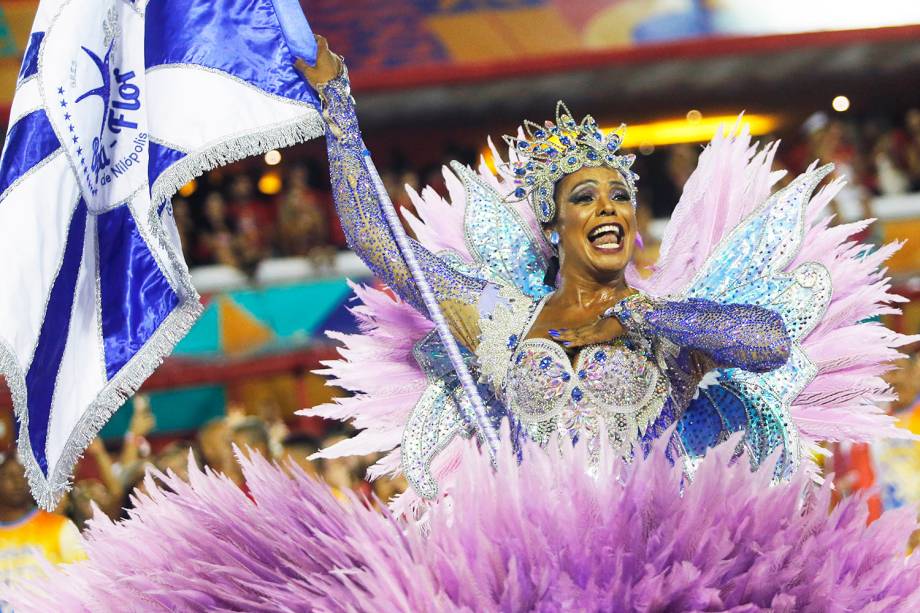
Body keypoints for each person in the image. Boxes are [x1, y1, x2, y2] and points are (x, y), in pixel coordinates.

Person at [8, 35, 920, 611]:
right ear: (551, 220)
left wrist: (658, 311)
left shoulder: (669, 319)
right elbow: (382, 246)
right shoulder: (496, 317)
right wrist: (339, 117)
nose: (609, 208)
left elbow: (767, 341)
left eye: (619, 195)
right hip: (513, 579)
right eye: (585, 196)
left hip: (671, 570)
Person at [0, 453, 83, 603]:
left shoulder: (60, 527)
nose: (18, 481)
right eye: (8, 475)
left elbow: (84, 583)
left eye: (22, 474)